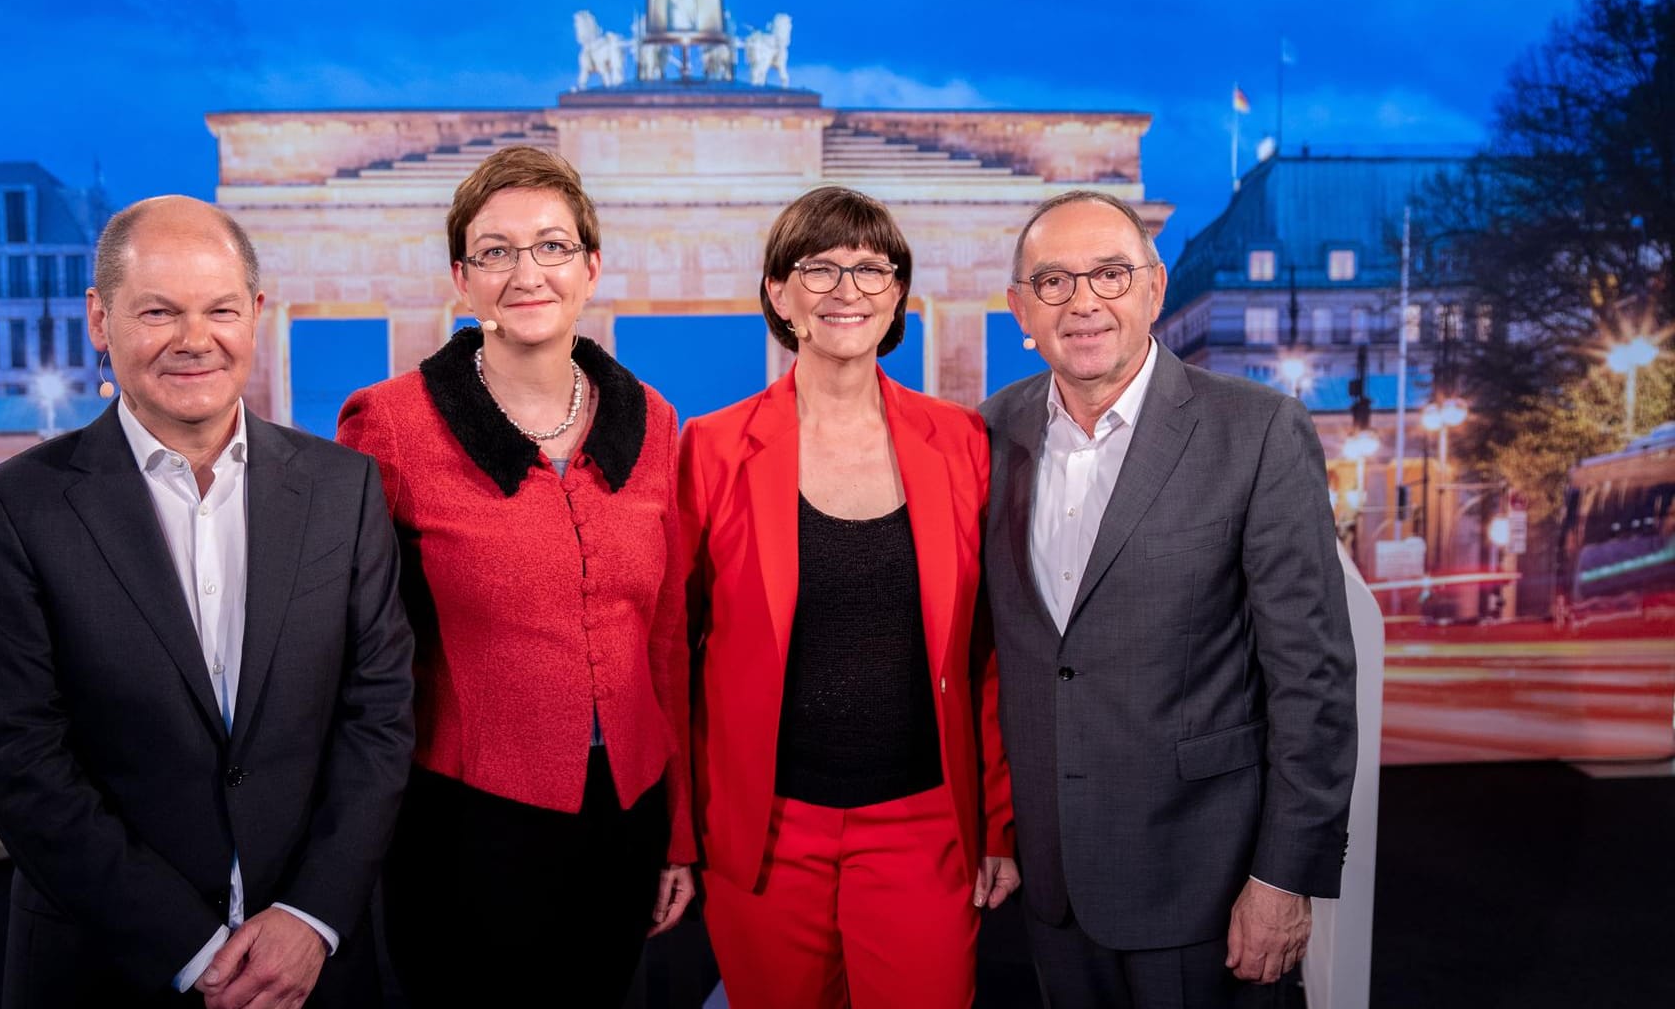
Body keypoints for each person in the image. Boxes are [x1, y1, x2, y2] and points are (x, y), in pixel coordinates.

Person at [0, 195, 415, 1009]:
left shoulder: (346, 489)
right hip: (106, 967)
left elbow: (377, 717)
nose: (194, 340)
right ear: (100, 319)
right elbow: (21, 760)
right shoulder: (13, 509)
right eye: (158, 311)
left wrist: (310, 917)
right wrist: (196, 949)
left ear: (257, 314)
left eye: (220, 310)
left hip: (317, 967)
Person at [335, 146, 694, 1006]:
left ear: (591, 267)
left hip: (628, 815)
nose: (525, 272)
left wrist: (678, 832)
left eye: (552, 247)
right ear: (462, 280)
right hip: (463, 823)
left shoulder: (656, 422)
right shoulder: (388, 424)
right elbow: (351, 655)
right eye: (495, 251)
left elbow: (669, 639)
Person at [981, 189, 1357, 1008]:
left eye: (1110, 275)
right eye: (1054, 282)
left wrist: (1284, 879)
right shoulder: (987, 436)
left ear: (1154, 289)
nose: (1083, 302)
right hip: (1053, 884)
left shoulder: (1258, 431)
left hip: (1206, 886)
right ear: (1021, 309)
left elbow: (1312, 680)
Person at [680, 186, 1019, 1009]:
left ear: (898, 293)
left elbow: (990, 651)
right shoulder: (712, 447)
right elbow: (673, 657)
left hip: (924, 827)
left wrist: (999, 823)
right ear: (778, 293)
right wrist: (680, 835)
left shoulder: (963, 444)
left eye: (871, 270)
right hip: (764, 835)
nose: (846, 291)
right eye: (819, 268)